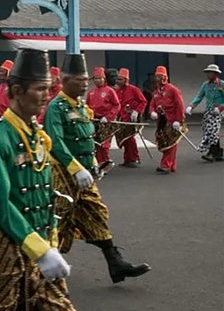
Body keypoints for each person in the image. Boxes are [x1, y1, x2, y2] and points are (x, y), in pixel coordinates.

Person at [0, 48, 84, 311]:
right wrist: (40, 250)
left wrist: (51, 241)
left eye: (49, 88)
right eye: (41, 89)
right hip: (9, 242)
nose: (47, 96)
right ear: (18, 91)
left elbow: (43, 196)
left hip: (42, 238)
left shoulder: (37, 135)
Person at [45, 54, 151, 284]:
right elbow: (55, 141)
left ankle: (115, 262)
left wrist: (93, 165)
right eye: (79, 79)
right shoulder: (57, 107)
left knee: (96, 212)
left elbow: (86, 138)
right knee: (58, 218)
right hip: (64, 173)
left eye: (86, 79)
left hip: (85, 172)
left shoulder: (82, 107)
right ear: (64, 80)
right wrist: (75, 168)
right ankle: (41, 265)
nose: (85, 83)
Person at [149, 65, 187, 173]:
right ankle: (172, 165)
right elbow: (152, 104)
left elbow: (180, 105)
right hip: (161, 121)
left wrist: (178, 120)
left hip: (172, 120)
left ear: (165, 77)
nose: (157, 79)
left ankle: (165, 164)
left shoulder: (173, 90)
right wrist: (152, 112)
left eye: (160, 76)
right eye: (156, 76)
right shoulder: (156, 92)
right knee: (165, 142)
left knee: (171, 142)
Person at [86, 66, 121, 172]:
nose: (97, 80)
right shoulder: (91, 92)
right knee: (95, 143)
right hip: (94, 120)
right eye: (95, 78)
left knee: (104, 144)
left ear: (104, 79)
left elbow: (116, 105)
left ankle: (105, 163)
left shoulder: (110, 91)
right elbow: (87, 107)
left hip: (105, 121)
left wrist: (108, 117)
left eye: (99, 78)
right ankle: (97, 164)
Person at [187, 63, 224, 162]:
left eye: (210, 73)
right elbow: (199, 96)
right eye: (207, 72)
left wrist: (220, 108)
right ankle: (218, 152)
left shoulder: (221, 84)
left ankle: (211, 153)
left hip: (219, 111)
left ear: (215, 74)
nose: (208, 75)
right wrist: (191, 106)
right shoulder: (205, 85)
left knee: (213, 131)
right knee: (209, 131)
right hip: (209, 111)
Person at [113, 68, 147, 168]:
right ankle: (127, 159)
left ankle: (134, 158)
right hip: (120, 118)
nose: (117, 81)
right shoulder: (117, 91)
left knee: (130, 139)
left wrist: (137, 111)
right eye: (117, 79)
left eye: (120, 79)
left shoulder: (134, 89)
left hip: (131, 118)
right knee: (124, 139)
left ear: (126, 80)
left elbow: (143, 101)